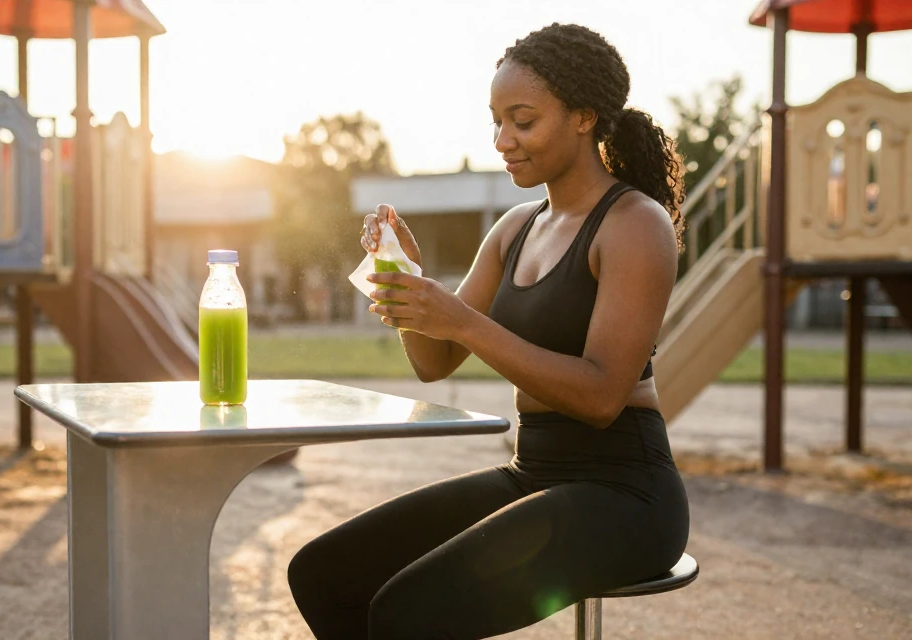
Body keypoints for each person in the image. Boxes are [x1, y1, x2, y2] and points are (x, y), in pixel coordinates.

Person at [288, 23, 690, 639]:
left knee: (406, 614)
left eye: (522, 120)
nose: (504, 140)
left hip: (625, 493)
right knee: (322, 573)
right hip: (534, 474)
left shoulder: (635, 224)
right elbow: (434, 360)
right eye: (496, 121)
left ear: (584, 117)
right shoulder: (515, 227)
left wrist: (462, 319)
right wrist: (406, 279)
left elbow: (602, 397)